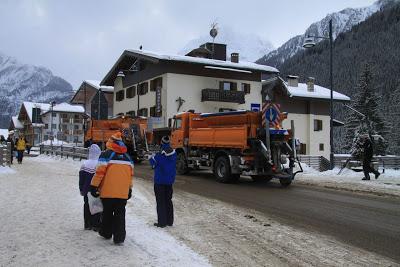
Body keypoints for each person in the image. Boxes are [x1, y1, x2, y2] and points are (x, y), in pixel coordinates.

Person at [90, 132, 133, 245]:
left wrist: (94, 186)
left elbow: (99, 173)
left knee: (107, 213)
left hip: (107, 192)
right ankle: (119, 238)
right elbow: (130, 176)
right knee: (120, 215)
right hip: (122, 193)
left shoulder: (106, 155)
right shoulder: (128, 158)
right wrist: (129, 189)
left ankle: (106, 232)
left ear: (110, 142)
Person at [149, 136, 177, 228]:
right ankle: (169, 221)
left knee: (161, 202)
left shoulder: (160, 155)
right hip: (169, 182)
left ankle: (162, 222)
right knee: (168, 201)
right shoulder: (174, 154)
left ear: (161, 142)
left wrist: (150, 157)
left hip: (160, 182)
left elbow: (154, 164)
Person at [79, 144, 102, 231]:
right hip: (96, 190)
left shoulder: (84, 164)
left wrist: (81, 189)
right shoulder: (100, 164)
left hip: (86, 189)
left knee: (87, 205)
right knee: (97, 206)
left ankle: (87, 224)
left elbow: (81, 178)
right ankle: (95, 225)